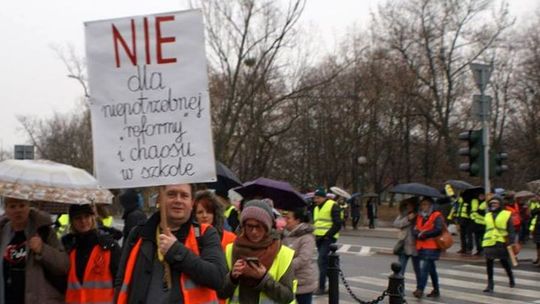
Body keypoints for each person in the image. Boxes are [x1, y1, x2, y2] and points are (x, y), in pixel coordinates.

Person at [114, 184, 227, 303]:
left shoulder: (205, 234)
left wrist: (176, 251)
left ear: (192, 202)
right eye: (172, 194)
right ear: (160, 199)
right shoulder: (138, 234)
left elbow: (218, 278)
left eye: (184, 196)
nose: (178, 200)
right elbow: (120, 282)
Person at [218, 200, 295, 304]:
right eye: (250, 226)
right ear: (243, 226)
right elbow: (221, 293)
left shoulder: (283, 254)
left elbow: (288, 297)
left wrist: (264, 279)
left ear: (267, 227)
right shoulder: (230, 250)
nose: (254, 231)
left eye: (258, 226)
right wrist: (232, 277)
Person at [0, 197, 70, 303]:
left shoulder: (44, 231)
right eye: (12, 206)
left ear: (29, 207)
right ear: (6, 209)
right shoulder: (2, 232)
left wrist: (42, 249)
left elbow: (63, 265)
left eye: (22, 205)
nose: (18, 210)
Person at [61, 204, 121, 303]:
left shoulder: (108, 246)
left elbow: (120, 281)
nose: (83, 221)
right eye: (78, 218)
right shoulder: (68, 248)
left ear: (93, 218)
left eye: (87, 216)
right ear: (72, 222)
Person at [482, 195, 518, 292]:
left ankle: (511, 278)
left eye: (495, 203)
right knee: (489, 263)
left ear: (500, 204)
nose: (493, 205)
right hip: (488, 242)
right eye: (492, 203)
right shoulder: (487, 215)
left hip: (501, 242)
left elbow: (511, 229)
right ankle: (490, 285)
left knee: (504, 262)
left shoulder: (506, 214)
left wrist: (511, 241)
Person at [283, 208, 318, 304]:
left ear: (297, 220)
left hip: (302, 283)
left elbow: (304, 258)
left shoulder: (307, 237)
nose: (285, 220)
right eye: (284, 217)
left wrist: (285, 266)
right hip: (287, 282)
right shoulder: (284, 235)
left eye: (288, 218)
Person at [312, 188, 341, 295]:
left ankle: (321, 287)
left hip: (328, 238)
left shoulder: (333, 205)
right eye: (315, 198)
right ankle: (333, 285)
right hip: (319, 238)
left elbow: (338, 223)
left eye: (318, 198)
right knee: (326, 264)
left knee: (321, 260)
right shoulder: (316, 208)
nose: (316, 200)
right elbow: (316, 224)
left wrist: (327, 236)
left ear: (324, 197)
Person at [413, 197, 442, 298]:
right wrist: (417, 234)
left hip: (432, 246)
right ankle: (436, 289)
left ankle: (420, 289)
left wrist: (425, 234)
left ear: (430, 205)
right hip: (421, 246)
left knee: (424, 268)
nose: (423, 206)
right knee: (431, 269)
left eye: (425, 204)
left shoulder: (436, 215)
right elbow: (415, 229)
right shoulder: (420, 216)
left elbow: (438, 229)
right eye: (422, 204)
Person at [393, 198, 420, 286]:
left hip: (416, 247)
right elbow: (396, 223)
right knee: (400, 270)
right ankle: (399, 289)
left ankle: (419, 287)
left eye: (410, 205)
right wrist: (407, 219)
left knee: (418, 270)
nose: (408, 207)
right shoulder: (404, 214)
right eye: (407, 205)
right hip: (404, 246)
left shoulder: (420, 215)